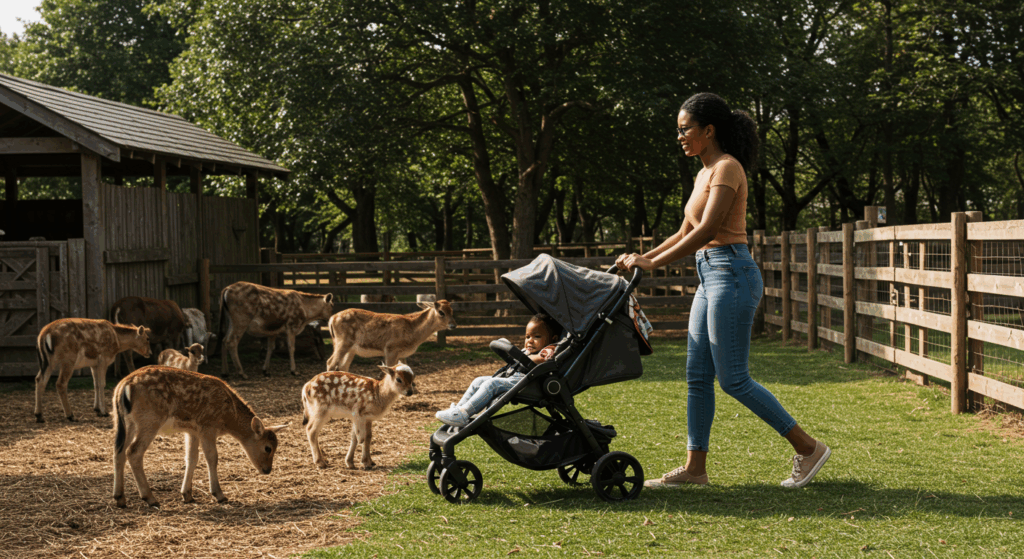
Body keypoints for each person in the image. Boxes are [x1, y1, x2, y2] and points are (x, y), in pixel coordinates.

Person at [617, 92, 830, 489]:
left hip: (731, 272)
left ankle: (808, 448)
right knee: (697, 376)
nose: (679, 136)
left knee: (733, 379)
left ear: (708, 130)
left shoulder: (727, 168)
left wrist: (653, 264)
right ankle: (695, 470)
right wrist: (641, 257)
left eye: (685, 129)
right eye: (678, 130)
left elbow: (709, 231)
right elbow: (685, 231)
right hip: (710, 275)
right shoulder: (704, 172)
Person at [436, 313, 561, 427]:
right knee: (478, 381)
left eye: (536, 336)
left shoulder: (550, 348)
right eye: (527, 336)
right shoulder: (531, 350)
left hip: (529, 383)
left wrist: (523, 356)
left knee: (492, 384)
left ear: (554, 339)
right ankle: (458, 410)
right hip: (515, 378)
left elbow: (543, 360)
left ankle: (464, 414)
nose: (530, 340)